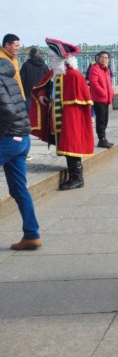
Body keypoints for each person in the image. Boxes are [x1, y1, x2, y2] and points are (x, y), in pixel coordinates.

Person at [30, 37, 94, 190]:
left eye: (53, 57)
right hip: (58, 115)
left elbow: (81, 102)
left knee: (71, 144)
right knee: (66, 145)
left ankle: (77, 177)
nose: (50, 59)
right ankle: (74, 175)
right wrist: (42, 95)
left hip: (70, 118)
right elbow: (43, 87)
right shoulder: (56, 73)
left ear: (61, 58)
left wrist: (69, 120)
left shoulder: (73, 75)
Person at [1, 55, 42, 250]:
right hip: (21, 138)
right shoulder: (8, 74)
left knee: (20, 189)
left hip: (9, 138)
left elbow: (7, 111)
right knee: (19, 189)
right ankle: (31, 235)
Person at [88, 50, 114, 148]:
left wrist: (111, 93)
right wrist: (103, 93)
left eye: (106, 58)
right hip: (98, 98)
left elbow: (109, 84)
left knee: (105, 119)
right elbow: (94, 83)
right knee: (101, 120)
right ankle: (101, 139)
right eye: (102, 57)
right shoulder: (94, 68)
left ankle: (104, 138)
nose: (104, 59)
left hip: (106, 98)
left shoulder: (106, 70)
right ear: (98, 58)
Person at [19, 46, 49, 113]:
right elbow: (48, 80)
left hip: (28, 94)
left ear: (30, 55)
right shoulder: (45, 66)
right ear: (40, 55)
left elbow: (21, 80)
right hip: (42, 94)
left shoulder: (25, 65)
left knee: (30, 116)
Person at [1, 34, 24, 99]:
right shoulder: (1, 59)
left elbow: (18, 80)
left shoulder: (14, 59)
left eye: (18, 46)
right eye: (16, 46)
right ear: (7, 45)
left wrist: (22, 97)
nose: (18, 48)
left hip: (17, 97)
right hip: (6, 100)